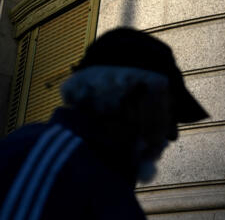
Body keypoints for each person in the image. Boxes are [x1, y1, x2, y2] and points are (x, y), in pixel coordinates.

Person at [0, 28, 208, 220]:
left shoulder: (103, 176)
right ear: (135, 99)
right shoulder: (49, 162)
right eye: (169, 111)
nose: (172, 134)